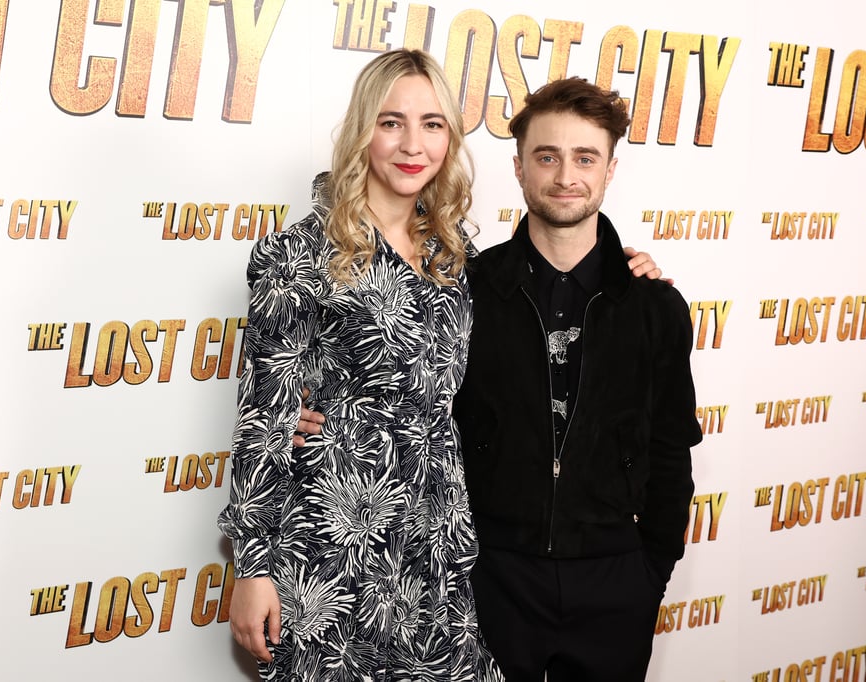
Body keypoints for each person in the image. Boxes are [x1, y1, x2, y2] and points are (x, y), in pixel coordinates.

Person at [216, 48, 501, 681]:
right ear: (362, 130)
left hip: (434, 550)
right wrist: (254, 568)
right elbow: (265, 420)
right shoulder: (299, 254)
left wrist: (631, 270)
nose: (412, 144)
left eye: (432, 124)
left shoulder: (455, 257)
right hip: (333, 554)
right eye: (391, 121)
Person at [450, 77, 703, 681]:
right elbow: (417, 412)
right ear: (518, 168)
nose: (566, 175)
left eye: (585, 157)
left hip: (615, 580)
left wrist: (651, 570)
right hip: (491, 575)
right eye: (548, 156)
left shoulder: (655, 308)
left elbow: (672, 449)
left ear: (610, 169)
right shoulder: (464, 294)